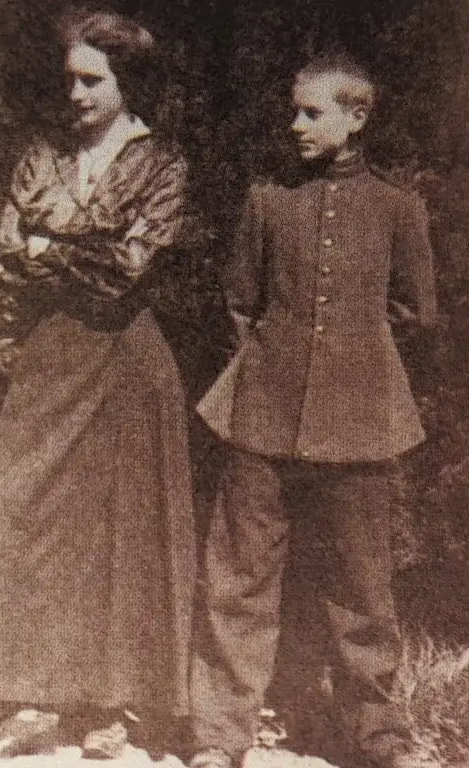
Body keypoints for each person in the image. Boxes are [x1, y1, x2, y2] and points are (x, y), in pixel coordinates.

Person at [0, 8, 197, 760]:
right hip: (50, 355)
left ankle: (108, 707)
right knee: (27, 515)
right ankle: (29, 695)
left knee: (117, 531)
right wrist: (73, 242)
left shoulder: (162, 163)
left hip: (125, 359)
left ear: (126, 81)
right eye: (70, 81)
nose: (76, 95)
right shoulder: (42, 153)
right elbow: (2, 248)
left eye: (93, 80)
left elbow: (127, 273)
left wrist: (46, 241)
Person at [190, 52, 438, 768]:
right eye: (294, 110)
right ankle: (218, 736)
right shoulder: (268, 199)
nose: (295, 124)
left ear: (357, 117)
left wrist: (355, 367)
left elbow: (416, 316)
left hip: (361, 421)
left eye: (312, 112)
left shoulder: (397, 209)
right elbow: (241, 301)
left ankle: (382, 740)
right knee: (238, 580)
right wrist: (277, 364)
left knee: (363, 592)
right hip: (260, 416)